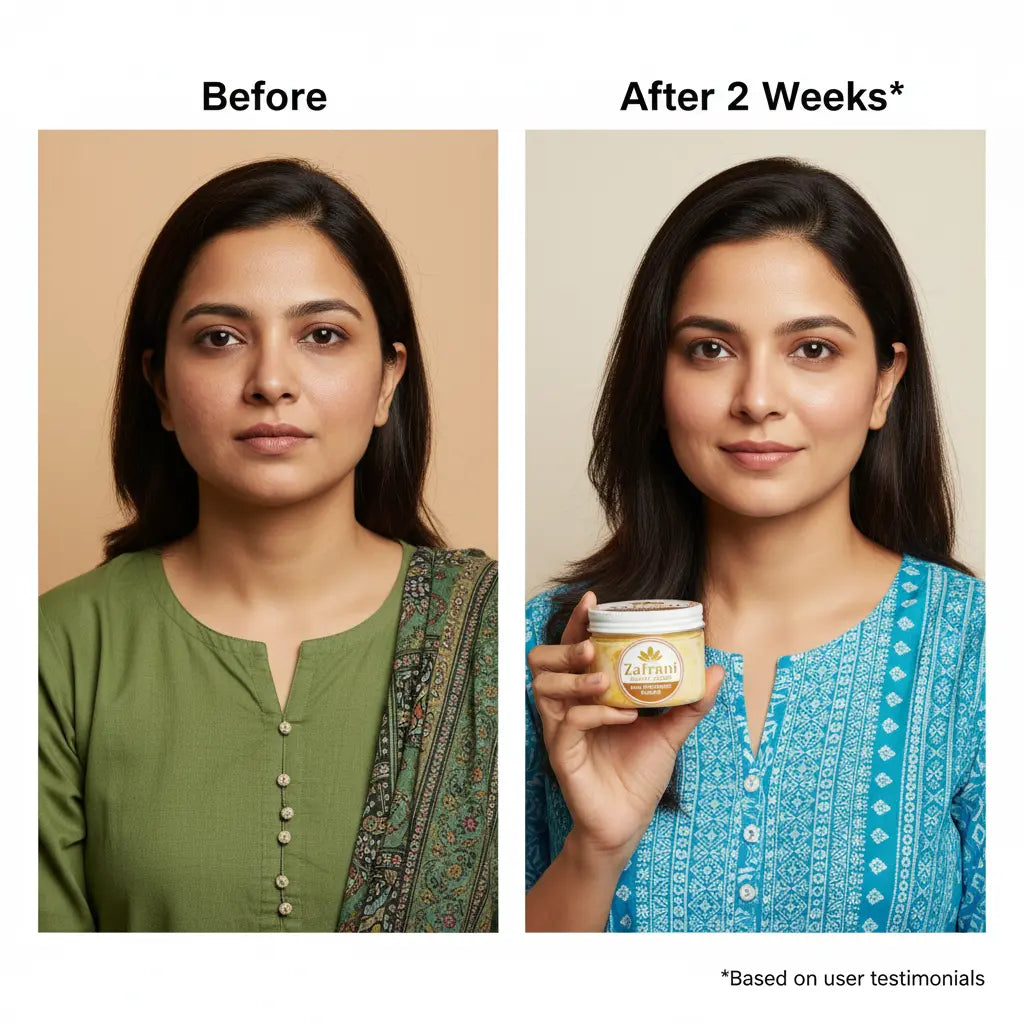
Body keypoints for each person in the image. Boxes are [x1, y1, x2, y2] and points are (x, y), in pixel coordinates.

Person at [525, 157, 984, 933]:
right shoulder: (554, 653)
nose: (758, 400)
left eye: (812, 350)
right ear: (657, 376)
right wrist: (596, 850)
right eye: (710, 349)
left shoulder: (975, 649)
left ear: (883, 382)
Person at [39, 158, 497, 932]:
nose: (270, 381)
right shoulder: (58, 649)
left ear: (388, 379)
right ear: (159, 387)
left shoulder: (489, 638)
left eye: (321, 335)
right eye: (220, 338)